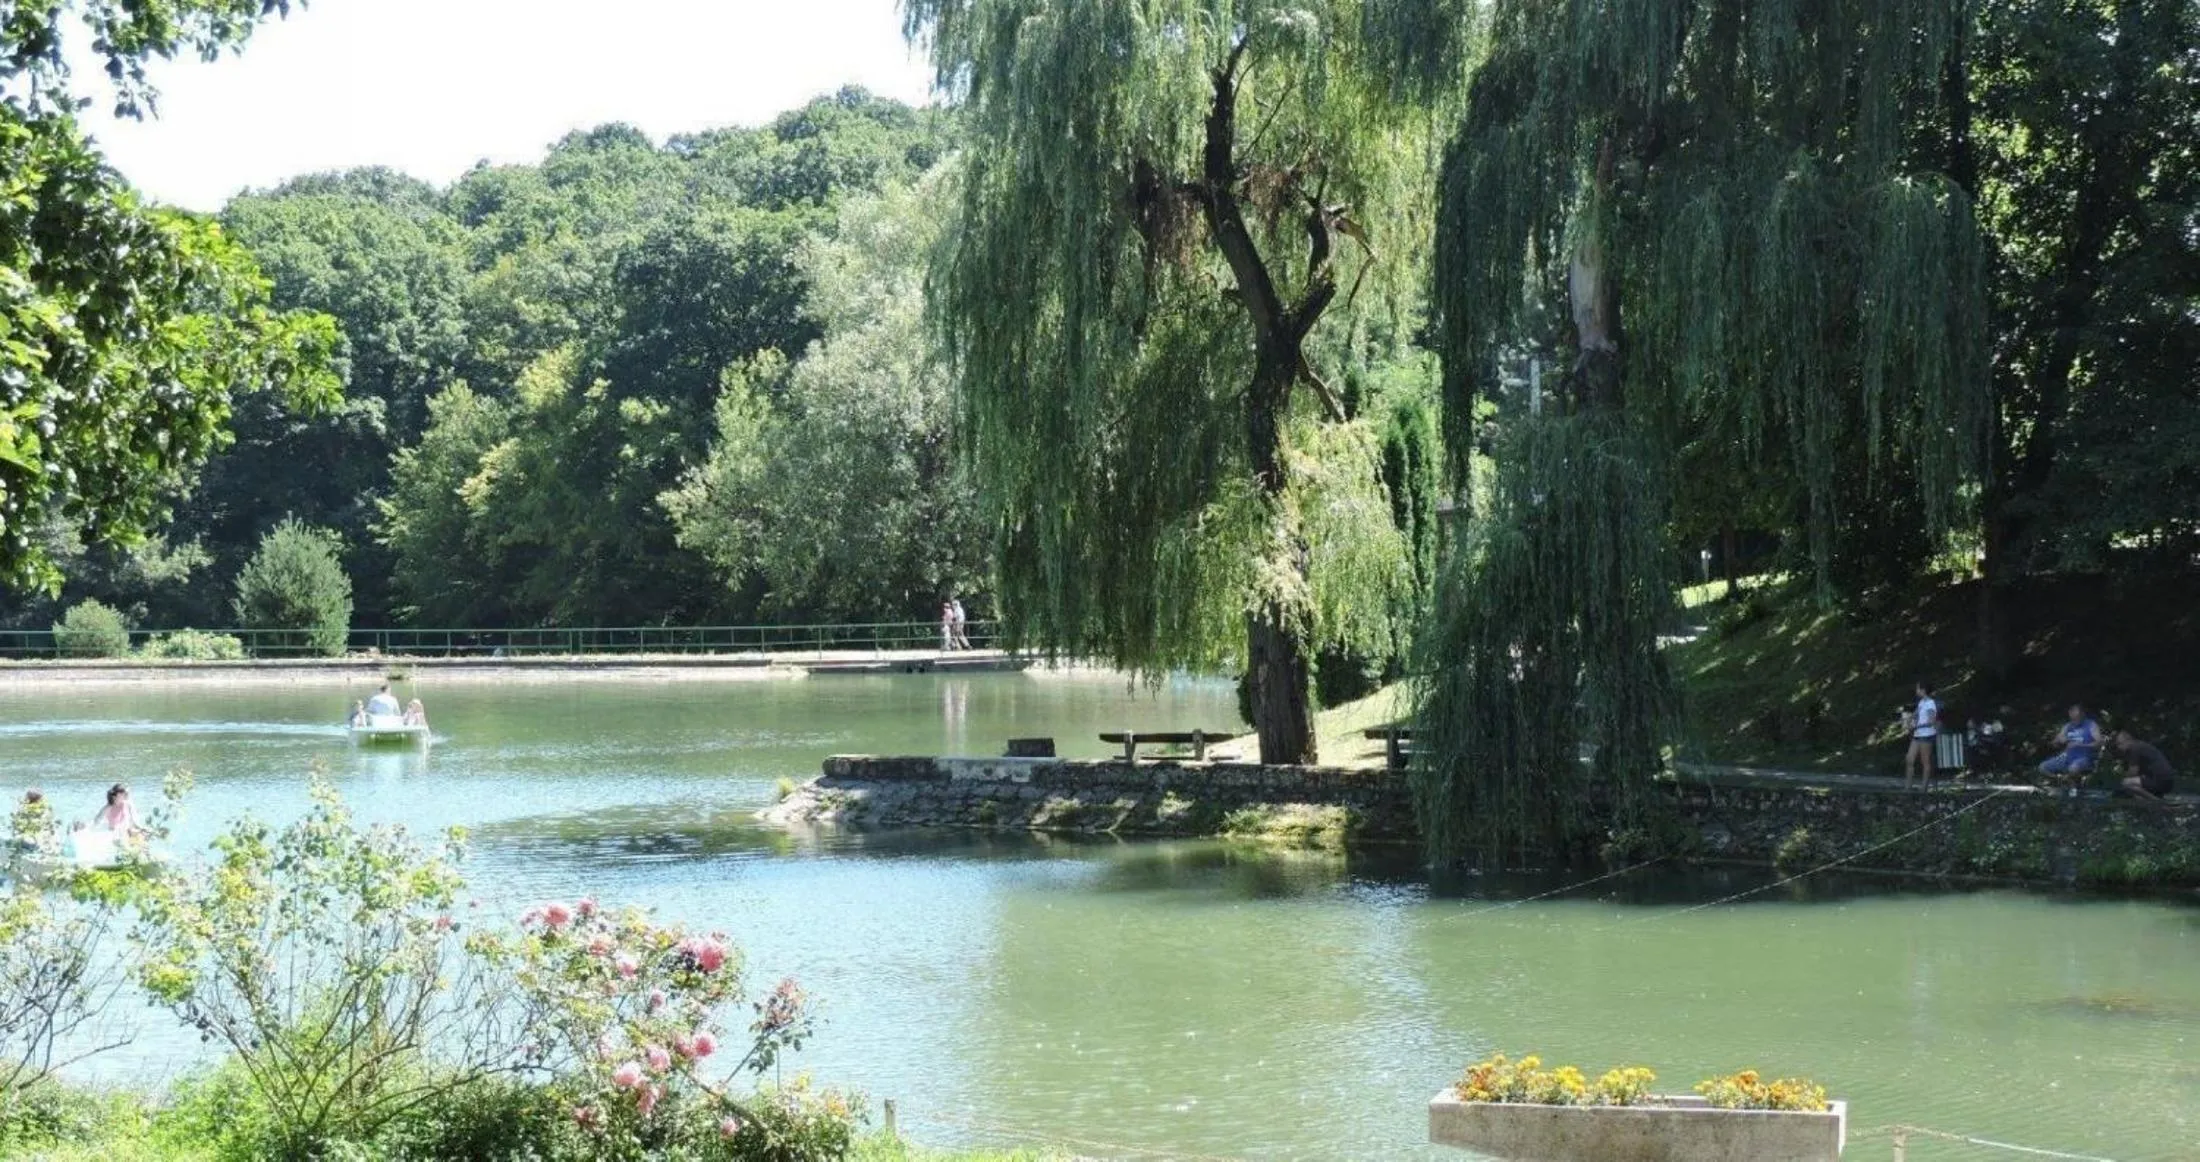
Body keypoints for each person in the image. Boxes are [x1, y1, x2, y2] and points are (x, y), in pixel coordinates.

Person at [2038, 703, 2102, 785]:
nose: (2074, 720)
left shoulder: (2091, 725)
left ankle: (2074, 781)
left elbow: (2099, 743)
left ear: (2082, 715)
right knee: (2042, 767)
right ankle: (2059, 780)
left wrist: (2080, 745)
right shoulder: (2068, 726)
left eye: (2076, 717)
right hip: (2067, 757)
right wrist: (2060, 740)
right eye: (2072, 717)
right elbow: (2055, 742)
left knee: (2073, 768)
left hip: (2084, 757)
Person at [2111, 731, 2176, 803]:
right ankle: (2149, 801)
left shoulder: (2134, 749)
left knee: (2126, 783)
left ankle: (2157, 801)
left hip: (2161, 780)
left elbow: (2133, 772)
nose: (2118, 747)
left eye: (2120, 744)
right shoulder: (2140, 746)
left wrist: (2121, 778)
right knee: (2133, 789)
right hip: (2167, 780)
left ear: (2128, 740)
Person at [1903, 681, 1940, 788]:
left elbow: (1931, 722)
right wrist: (1909, 719)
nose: (1916, 690)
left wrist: (1916, 726)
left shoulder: (1930, 704)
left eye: (1918, 688)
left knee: (1925, 761)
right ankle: (1908, 786)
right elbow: (1916, 714)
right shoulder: (1922, 702)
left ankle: (1924, 788)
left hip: (1926, 735)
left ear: (1923, 690)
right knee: (1909, 759)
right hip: (1917, 735)